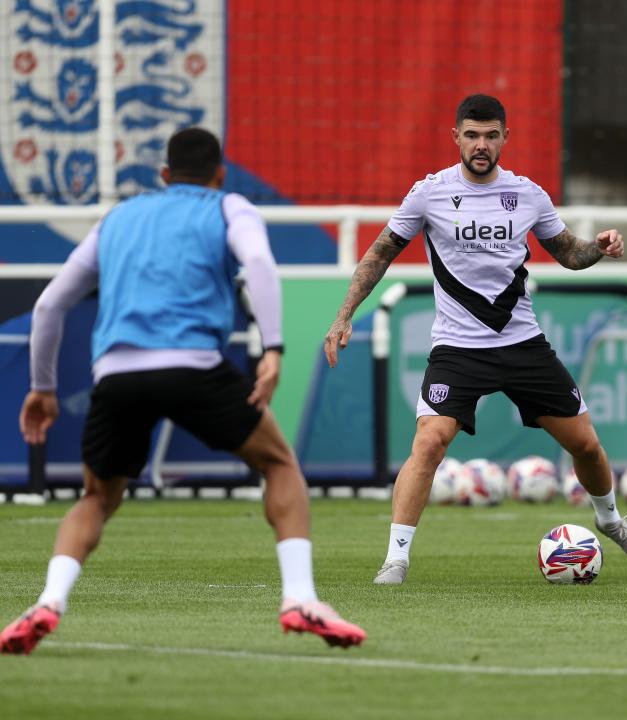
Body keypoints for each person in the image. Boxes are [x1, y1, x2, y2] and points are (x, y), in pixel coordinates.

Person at [0, 128, 365, 654]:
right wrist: (275, 346)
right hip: (195, 369)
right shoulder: (228, 206)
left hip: (117, 376)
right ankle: (301, 598)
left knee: (97, 498)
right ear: (219, 175)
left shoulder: (117, 218)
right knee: (280, 465)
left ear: (163, 175)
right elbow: (260, 264)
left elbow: (49, 306)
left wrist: (43, 389)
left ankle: (49, 601)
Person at [324, 94, 627, 585]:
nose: (482, 145)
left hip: (523, 344)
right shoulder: (429, 193)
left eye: (492, 135)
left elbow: (568, 254)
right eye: (473, 135)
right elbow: (379, 253)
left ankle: (609, 520)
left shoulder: (528, 194)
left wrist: (600, 249)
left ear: (505, 137)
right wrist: (343, 315)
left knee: (585, 445)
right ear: (456, 137)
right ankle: (396, 558)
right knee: (430, 442)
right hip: (458, 349)